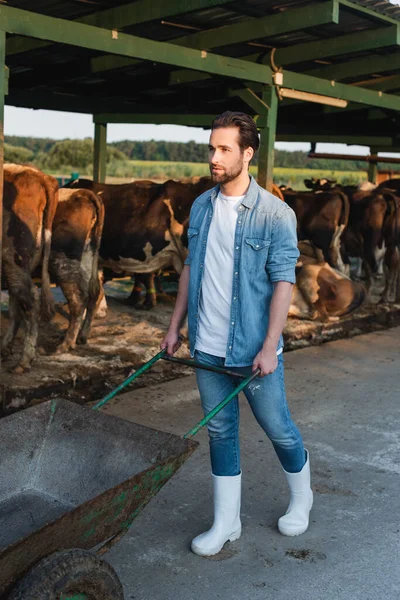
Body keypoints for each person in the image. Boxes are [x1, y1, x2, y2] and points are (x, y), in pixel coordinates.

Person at [161, 111, 312, 557]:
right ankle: (227, 522)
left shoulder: (275, 214)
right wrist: (174, 328)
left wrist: (270, 347)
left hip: (253, 350)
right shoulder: (202, 206)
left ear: (247, 154)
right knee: (220, 433)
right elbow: (191, 268)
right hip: (206, 348)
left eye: (224, 149)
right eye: (212, 148)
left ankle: (302, 498)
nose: (214, 157)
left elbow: (284, 284)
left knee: (278, 428)